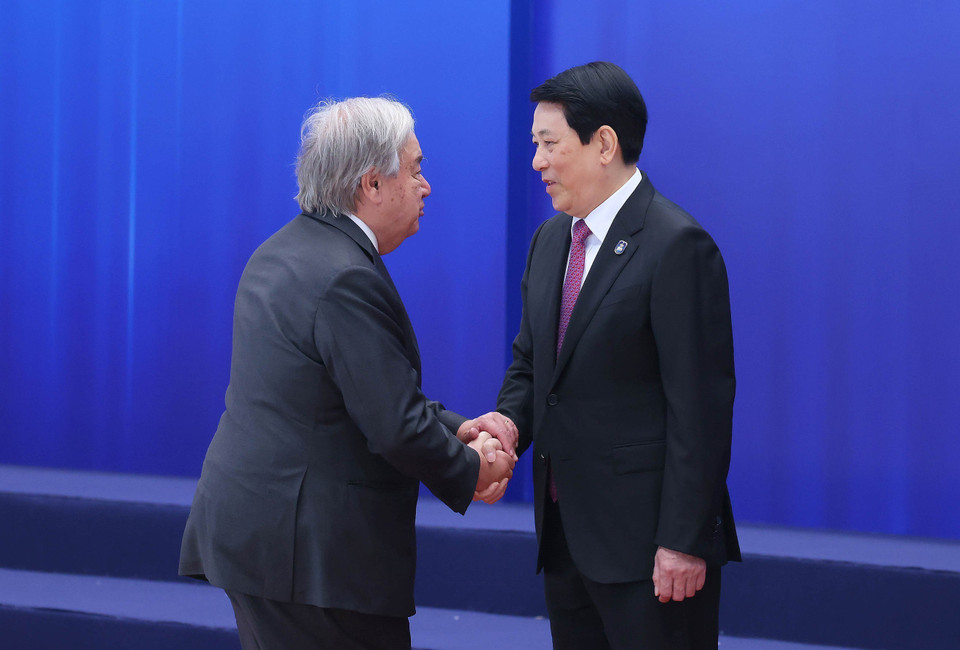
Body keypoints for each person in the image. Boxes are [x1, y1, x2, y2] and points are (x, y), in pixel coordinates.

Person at [179, 96, 517, 650]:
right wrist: (471, 468)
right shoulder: (344, 277)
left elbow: (356, 392)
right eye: (415, 168)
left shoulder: (282, 250)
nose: (426, 185)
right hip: (311, 559)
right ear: (372, 185)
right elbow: (392, 425)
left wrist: (458, 427)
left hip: (263, 539)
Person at [496, 62, 740, 649]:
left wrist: (683, 541)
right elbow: (533, 366)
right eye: (535, 145)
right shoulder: (551, 239)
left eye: (548, 144)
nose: (537, 163)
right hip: (566, 542)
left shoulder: (677, 245)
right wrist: (504, 428)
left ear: (604, 143)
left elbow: (700, 408)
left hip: (650, 554)